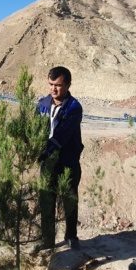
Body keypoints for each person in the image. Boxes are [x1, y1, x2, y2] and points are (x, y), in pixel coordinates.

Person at [36, 66, 84, 250]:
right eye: (50, 84)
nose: (53, 89)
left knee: (69, 200)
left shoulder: (74, 107)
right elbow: (35, 130)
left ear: (68, 85)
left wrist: (41, 152)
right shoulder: (42, 104)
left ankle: (71, 236)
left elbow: (61, 137)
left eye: (58, 85)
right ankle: (47, 240)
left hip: (67, 163)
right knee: (46, 201)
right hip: (47, 164)